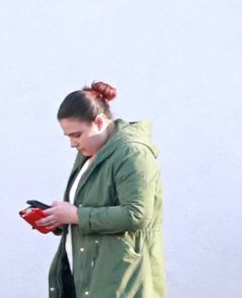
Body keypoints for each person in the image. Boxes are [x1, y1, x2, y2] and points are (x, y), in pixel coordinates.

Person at [38, 81, 166, 298]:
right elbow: (88, 210)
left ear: (99, 121)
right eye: (68, 136)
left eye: (76, 135)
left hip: (123, 282)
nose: (72, 144)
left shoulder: (133, 154)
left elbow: (137, 214)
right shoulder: (90, 154)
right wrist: (61, 218)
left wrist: (76, 215)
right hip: (90, 276)